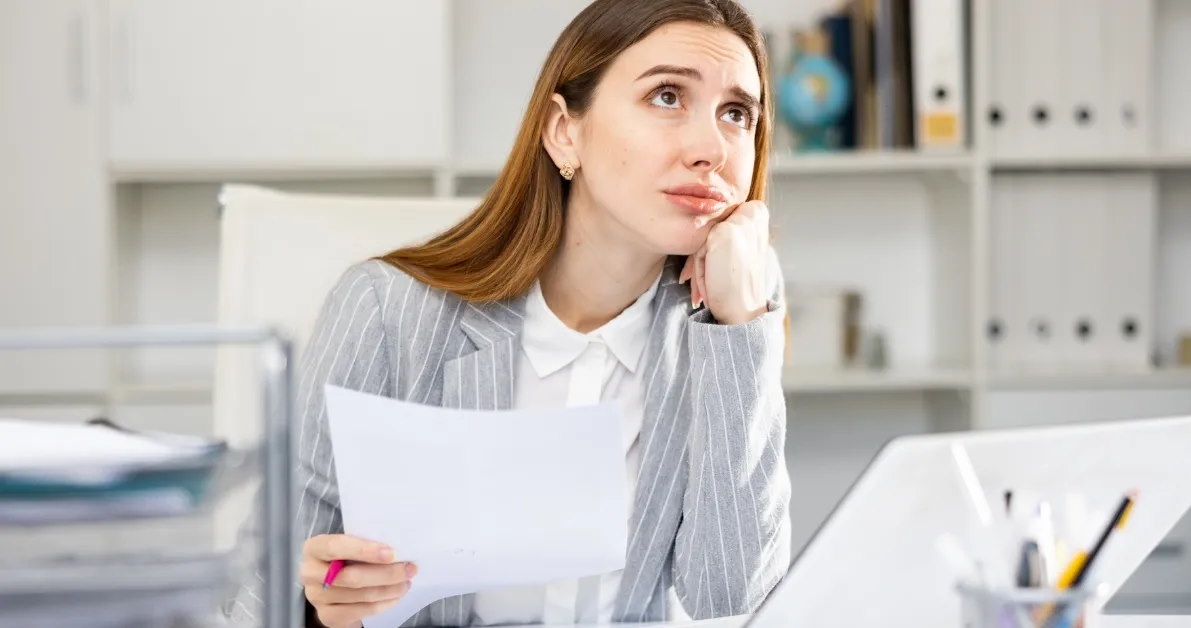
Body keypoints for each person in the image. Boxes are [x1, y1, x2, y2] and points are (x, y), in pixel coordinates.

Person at [228, 0, 790, 625]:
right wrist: (323, 608)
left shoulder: (726, 323)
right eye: (666, 96)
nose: (710, 147)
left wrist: (742, 329)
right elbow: (263, 597)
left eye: (737, 113)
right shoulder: (387, 312)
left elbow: (732, 598)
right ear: (563, 131)